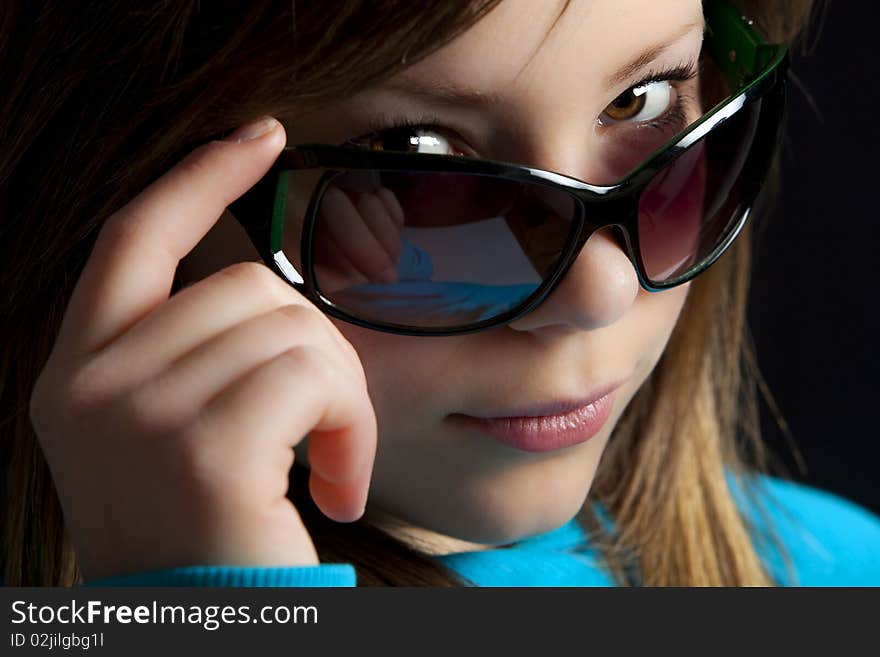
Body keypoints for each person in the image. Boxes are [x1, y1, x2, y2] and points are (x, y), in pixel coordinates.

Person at [1, 0, 878, 588]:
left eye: (643, 100)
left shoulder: (833, 567)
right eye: (415, 160)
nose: (600, 289)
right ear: (121, 191)